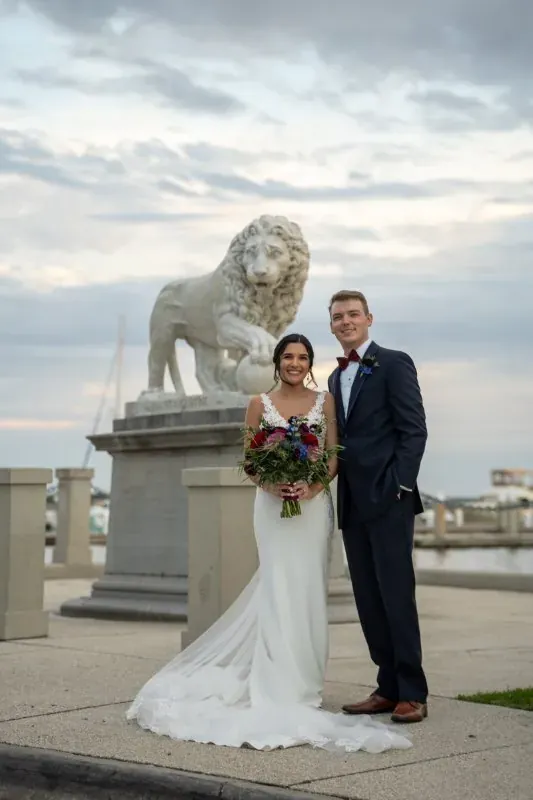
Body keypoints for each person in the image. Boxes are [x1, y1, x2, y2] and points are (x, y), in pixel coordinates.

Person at [127, 333, 412, 753]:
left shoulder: (325, 401)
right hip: (273, 508)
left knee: (308, 591)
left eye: (302, 357)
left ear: (310, 363)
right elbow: (249, 459)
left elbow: (333, 456)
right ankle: (274, 682)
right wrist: (274, 483)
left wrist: (313, 488)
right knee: (278, 587)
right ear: (277, 362)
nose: (295, 363)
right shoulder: (259, 404)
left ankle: (306, 683)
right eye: (288, 357)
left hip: (314, 508)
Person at [327, 290, 429, 724]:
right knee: (367, 598)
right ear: (331, 325)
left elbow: (414, 431)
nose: (346, 322)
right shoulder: (334, 378)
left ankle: (412, 691)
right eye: (338, 317)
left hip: (390, 500)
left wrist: (399, 487)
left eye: (353, 314)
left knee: (396, 595)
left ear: (369, 318)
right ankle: (387, 687)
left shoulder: (393, 362)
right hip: (352, 502)